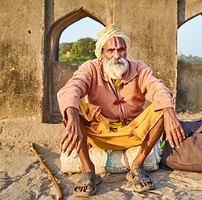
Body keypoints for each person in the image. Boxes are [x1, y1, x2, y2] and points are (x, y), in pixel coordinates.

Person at [57, 24, 185, 196]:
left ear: (126, 50)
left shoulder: (138, 68)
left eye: (121, 50)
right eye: (110, 50)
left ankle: (137, 165)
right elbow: (71, 89)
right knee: (74, 106)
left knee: (162, 107)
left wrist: (170, 113)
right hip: (100, 133)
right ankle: (88, 170)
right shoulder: (91, 68)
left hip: (133, 132)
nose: (117, 56)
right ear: (101, 53)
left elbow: (158, 88)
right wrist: (72, 120)